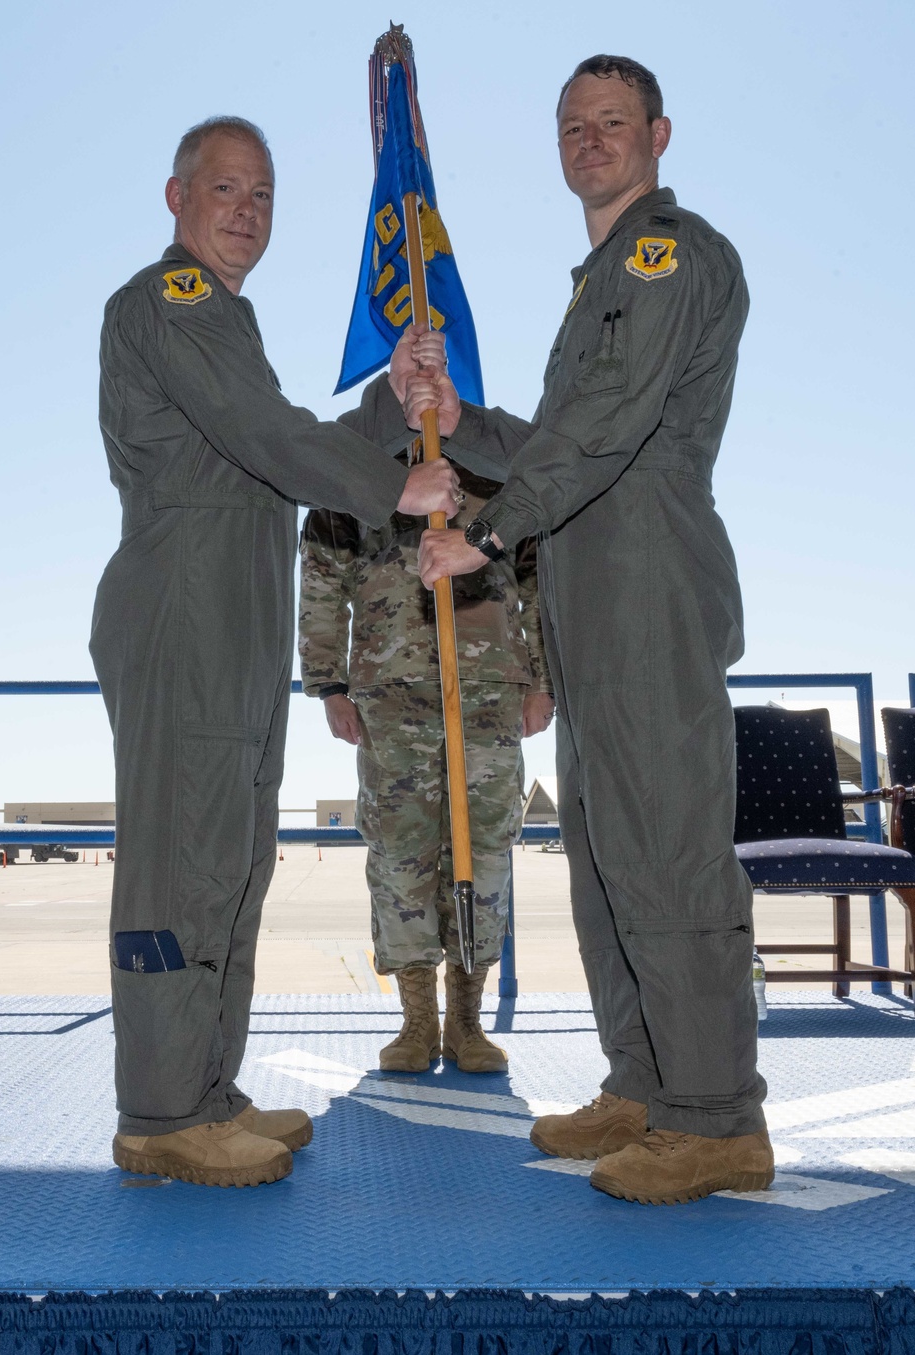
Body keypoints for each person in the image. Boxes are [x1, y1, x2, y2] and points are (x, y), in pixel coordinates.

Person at [402, 56, 773, 1205]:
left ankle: (715, 1117)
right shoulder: (598, 278)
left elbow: (609, 427)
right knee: (610, 863)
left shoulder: (666, 254)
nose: (590, 140)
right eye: (572, 125)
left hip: (649, 591)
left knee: (666, 853)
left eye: (612, 122)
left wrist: (485, 525)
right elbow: (566, 430)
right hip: (593, 601)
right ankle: (644, 1087)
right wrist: (468, 426)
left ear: (659, 134)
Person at [90, 116, 459, 1188]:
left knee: (232, 861)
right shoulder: (173, 301)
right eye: (225, 188)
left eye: (262, 194)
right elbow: (267, 441)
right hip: (183, 611)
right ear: (176, 198)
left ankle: (205, 1087)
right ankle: (160, 1110)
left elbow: (274, 436)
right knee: (180, 862)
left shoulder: (227, 325)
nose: (246, 208)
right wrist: (396, 484)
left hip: (236, 613)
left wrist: (385, 405)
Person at [298, 454, 555, 1074]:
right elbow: (322, 582)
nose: (427, 381)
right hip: (392, 687)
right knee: (399, 850)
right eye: (413, 363)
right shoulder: (353, 479)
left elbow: (539, 584)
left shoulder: (500, 483)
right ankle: (416, 1022)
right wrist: (329, 685)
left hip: (489, 686)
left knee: (486, 848)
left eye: (437, 364)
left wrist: (544, 680)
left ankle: (467, 1021)